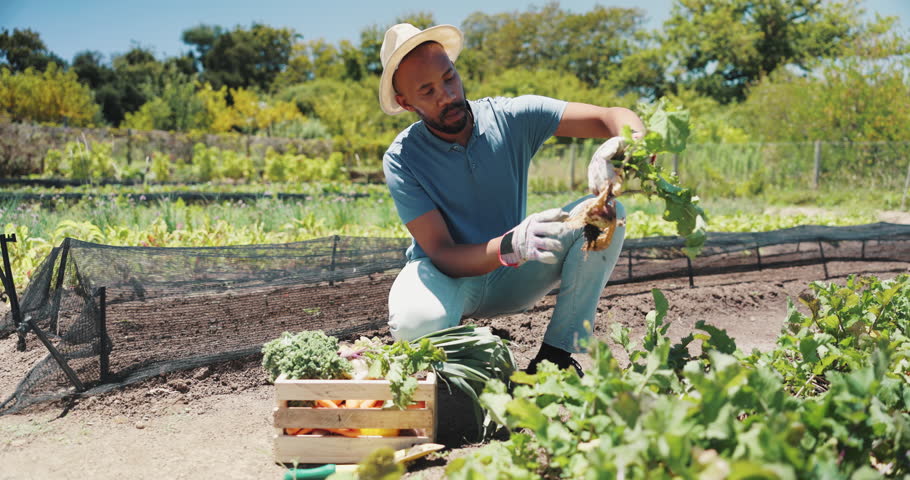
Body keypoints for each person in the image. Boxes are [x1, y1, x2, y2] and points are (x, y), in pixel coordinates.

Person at [378, 23, 645, 375]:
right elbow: (441, 253)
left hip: (514, 275)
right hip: (448, 278)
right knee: (414, 325)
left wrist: (626, 143)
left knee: (606, 215)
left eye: (449, 78)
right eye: (427, 91)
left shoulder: (510, 118)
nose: (446, 94)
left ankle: (556, 357)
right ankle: (476, 364)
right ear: (405, 102)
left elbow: (610, 115)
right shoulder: (403, 157)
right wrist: (508, 246)